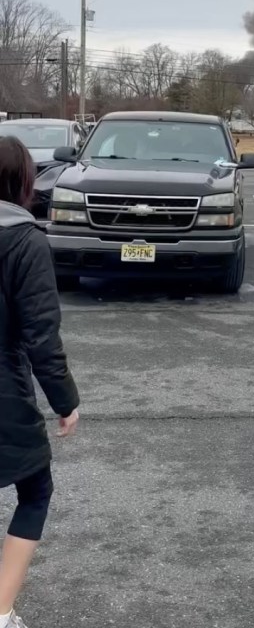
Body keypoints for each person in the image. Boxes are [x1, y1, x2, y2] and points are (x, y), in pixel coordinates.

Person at [0, 136, 79, 628]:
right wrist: (65, 402)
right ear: (24, 181)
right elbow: (41, 336)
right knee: (35, 489)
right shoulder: (24, 240)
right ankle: (1, 609)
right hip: (4, 394)